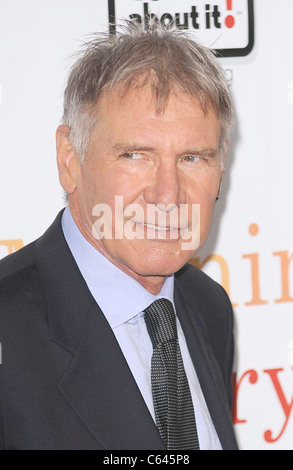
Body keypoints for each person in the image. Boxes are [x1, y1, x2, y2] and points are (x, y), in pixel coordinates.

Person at [0, 21, 238, 450]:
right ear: (69, 159)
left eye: (192, 157)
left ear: (221, 169)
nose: (168, 195)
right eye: (135, 155)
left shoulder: (209, 307)